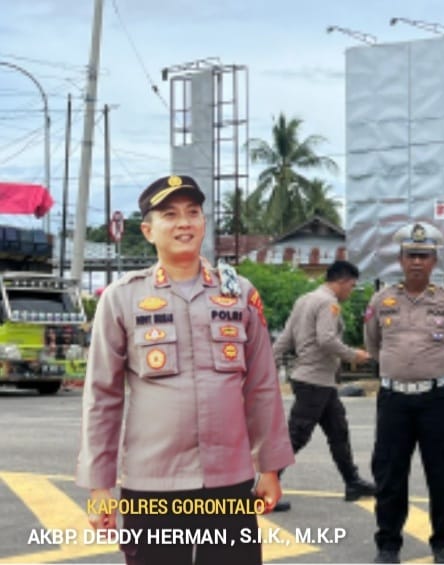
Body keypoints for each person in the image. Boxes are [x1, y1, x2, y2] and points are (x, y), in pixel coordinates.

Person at [76, 175, 294, 565]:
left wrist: (270, 468)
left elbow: (262, 387)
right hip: (153, 483)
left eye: (193, 213)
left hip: (229, 481)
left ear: (204, 223)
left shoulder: (239, 293)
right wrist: (99, 486)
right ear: (148, 231)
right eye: (170, 215)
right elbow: (102, 397)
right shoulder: (122, 298)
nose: (184, 223)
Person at [363, 222, 444, 564]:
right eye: (411, 255)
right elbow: (373, 345)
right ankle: (388, 545)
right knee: (390, 474)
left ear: (434, 261)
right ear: (400, 259)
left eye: (424, 256)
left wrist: (429, 368)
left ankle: (443, 544)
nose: (417, 262)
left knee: (442, 473)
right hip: (394, 400)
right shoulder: (382, 300)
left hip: (435, 399)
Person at [271, 260, 376, 511]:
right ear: (342, 281)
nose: (351, 291)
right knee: (296, 436)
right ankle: (264, 488)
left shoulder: (305, 300)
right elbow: (327, 340)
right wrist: (353, 355)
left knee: (338, 431)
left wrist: (268, 361)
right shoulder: (329, 303)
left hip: (317, 381)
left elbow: (285, 338)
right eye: (351, 286)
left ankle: (352, 482)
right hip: (314, 381)